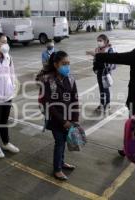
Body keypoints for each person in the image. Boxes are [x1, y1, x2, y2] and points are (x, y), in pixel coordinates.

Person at [42, 51, 79, 181]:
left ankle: (62, 163)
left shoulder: (70, 79)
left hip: (68, 119)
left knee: (64, 141)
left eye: (68, 63)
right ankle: (57, 169)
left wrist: (75, 119)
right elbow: (49, 105)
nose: (67, 66)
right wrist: (64, 122)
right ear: (56, 64)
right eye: (64, 64)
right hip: (56, 119)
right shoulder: (48, 81)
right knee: (60, 143)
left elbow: (75, 100)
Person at [86, 34, 116, 113]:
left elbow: (112, 62)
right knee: (101, 89)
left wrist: (106, 69)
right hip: (99, 72)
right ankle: (102, 104)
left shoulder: (109, 49)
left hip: (106, 73)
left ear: (105, 41)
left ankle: (107, 104)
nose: (99, 42)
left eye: (100, 40)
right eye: (98, 41)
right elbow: (95, 61)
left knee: (105, 89)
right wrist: (95, 69)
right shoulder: (97, 49)